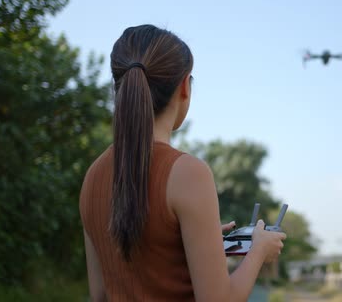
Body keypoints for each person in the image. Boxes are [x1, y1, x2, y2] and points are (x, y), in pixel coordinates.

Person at [79, 24, 286, 301]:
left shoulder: (93, 177)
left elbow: (101, 295)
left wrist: (198, 241)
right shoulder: (188, 174)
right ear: (184, 87)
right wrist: (259, 251)